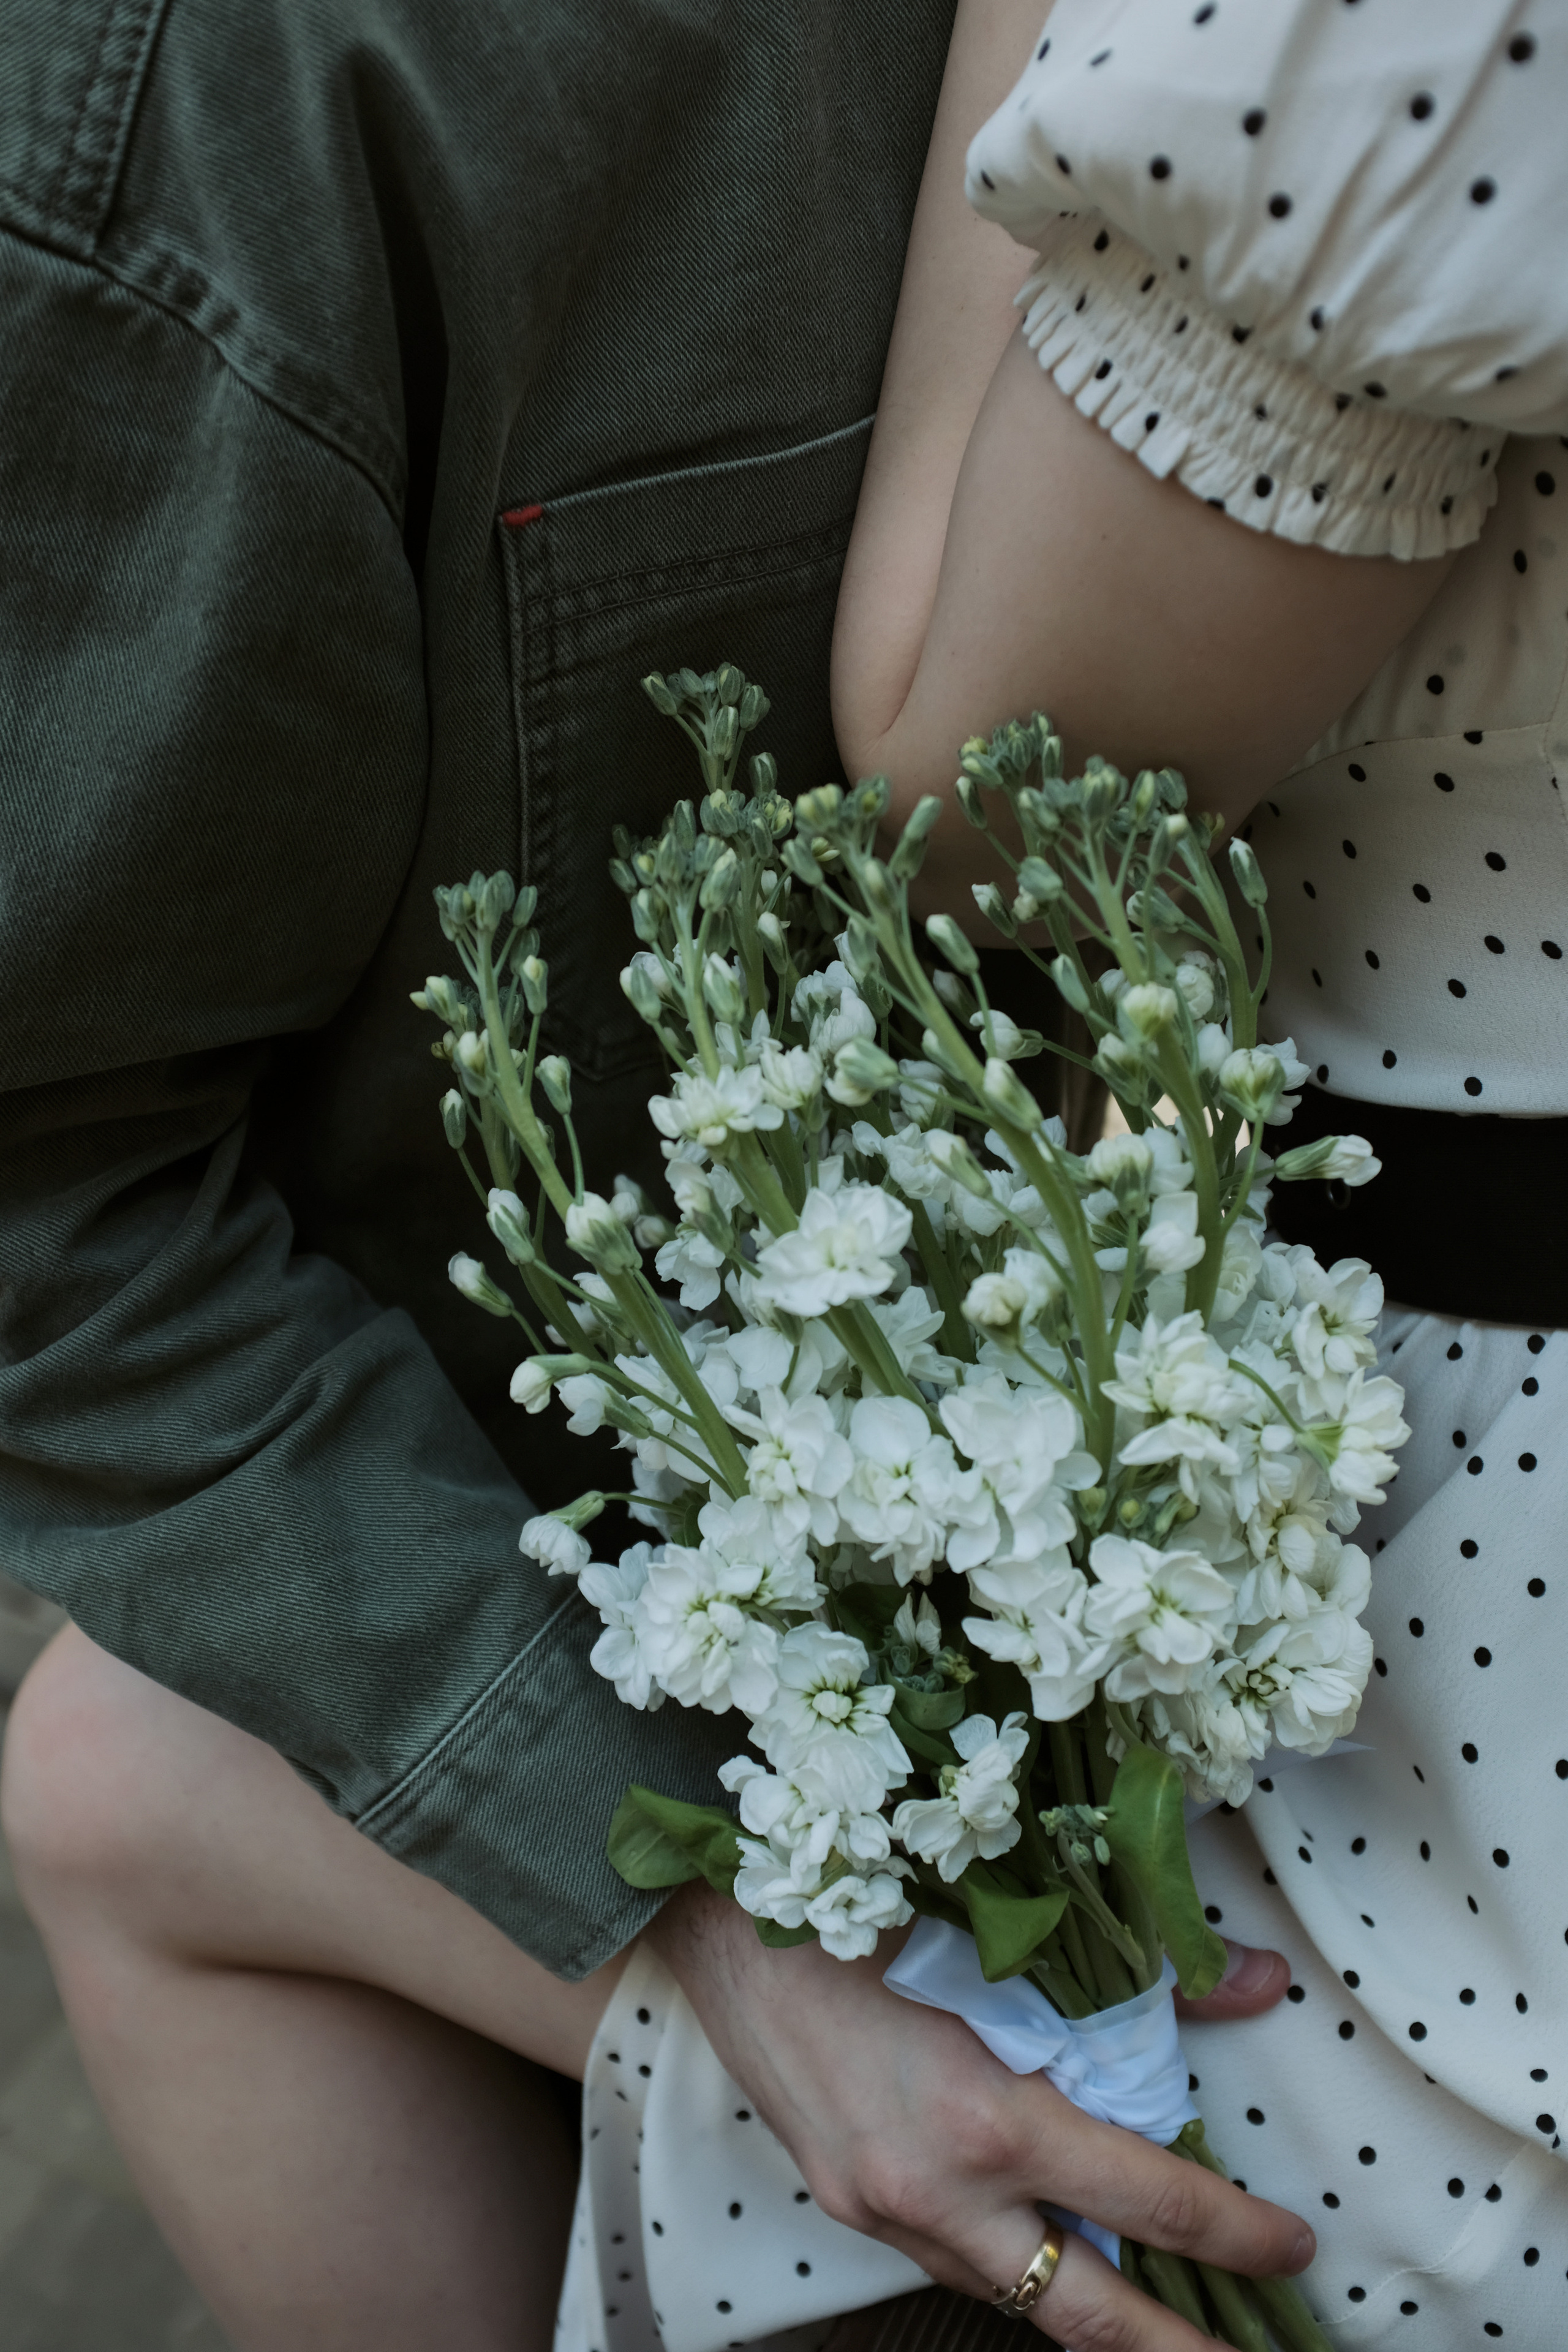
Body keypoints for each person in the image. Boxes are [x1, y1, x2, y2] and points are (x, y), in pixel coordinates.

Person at [0, 4, 1303, 2350]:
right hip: (766, 1623)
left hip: (1253, 1587)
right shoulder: (193, 146)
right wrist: (693, 1917)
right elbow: (51, 1231)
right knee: (104, 1768)